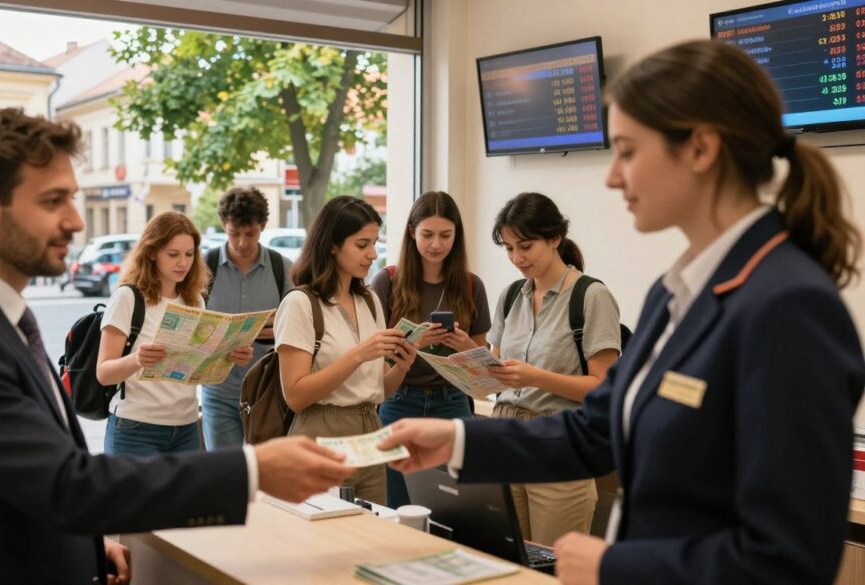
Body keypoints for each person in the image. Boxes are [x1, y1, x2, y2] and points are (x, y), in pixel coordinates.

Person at [379, 40, 865, 585]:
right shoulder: (676, 291)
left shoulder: (788, 307)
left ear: (701, 149)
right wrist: (459, 440)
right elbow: (598, 430)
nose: (612, 177)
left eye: (628, 151)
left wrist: (615, 565)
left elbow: (789, 557)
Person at [0, 107, 355, 585]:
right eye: (53, 201)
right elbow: (66, 485)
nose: (76, 221)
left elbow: (23, 482)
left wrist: (83, 541)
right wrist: (253, 468)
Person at [486, 191, 622, 546]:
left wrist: (534, 377)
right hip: (504, 435)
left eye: (526, 246)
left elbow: (602, 388)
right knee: (507, 561)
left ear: (555, 238)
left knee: (554, 564)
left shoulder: (591, 297)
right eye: (509, 248)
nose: (517, 258)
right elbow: (494, 369)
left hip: (558, 439)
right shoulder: (511, 295)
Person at [275, 195, 418, 505]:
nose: (372, 254)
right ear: (332, 245)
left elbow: (378, 388)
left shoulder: (369, 301)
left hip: (370, 431)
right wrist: (357, 355)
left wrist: (402, 367)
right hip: (321, 431)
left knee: (372, 537)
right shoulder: (301, 303)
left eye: (375, 243)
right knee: (324, 541)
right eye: (362, 244)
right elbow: (296, 395)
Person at [369, 191, 491, 509]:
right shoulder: (387, 282)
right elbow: (371, 356)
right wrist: (409, 346)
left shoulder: (471, 285)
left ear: (456, 236)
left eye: (445, 235)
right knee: (396, 505)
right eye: (427, 234)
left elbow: (482, 369)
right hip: (398, 400)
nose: (436, 244)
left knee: (453, 506)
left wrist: (466, 346)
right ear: (412, 232)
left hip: (452, 402)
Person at [96, 211, 254, 455]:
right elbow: (104, 373)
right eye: (173, 255)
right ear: (151, 253)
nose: (183, 263)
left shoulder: (194, 301)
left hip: (186, 427)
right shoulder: (128, 298)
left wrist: (226, 356)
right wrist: (137, 359)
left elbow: (196, 369)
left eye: (190, 254)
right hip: (135, 428)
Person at [201, 186, 292, 450]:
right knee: (225, 476)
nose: (242, 242)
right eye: (234, 234)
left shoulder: (282, 268)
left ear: (263, 226)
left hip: (269, 394)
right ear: (223, 225)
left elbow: (295, 326)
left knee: (269, 477)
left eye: (250, 234)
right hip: (218, 391)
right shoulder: (204, 267)